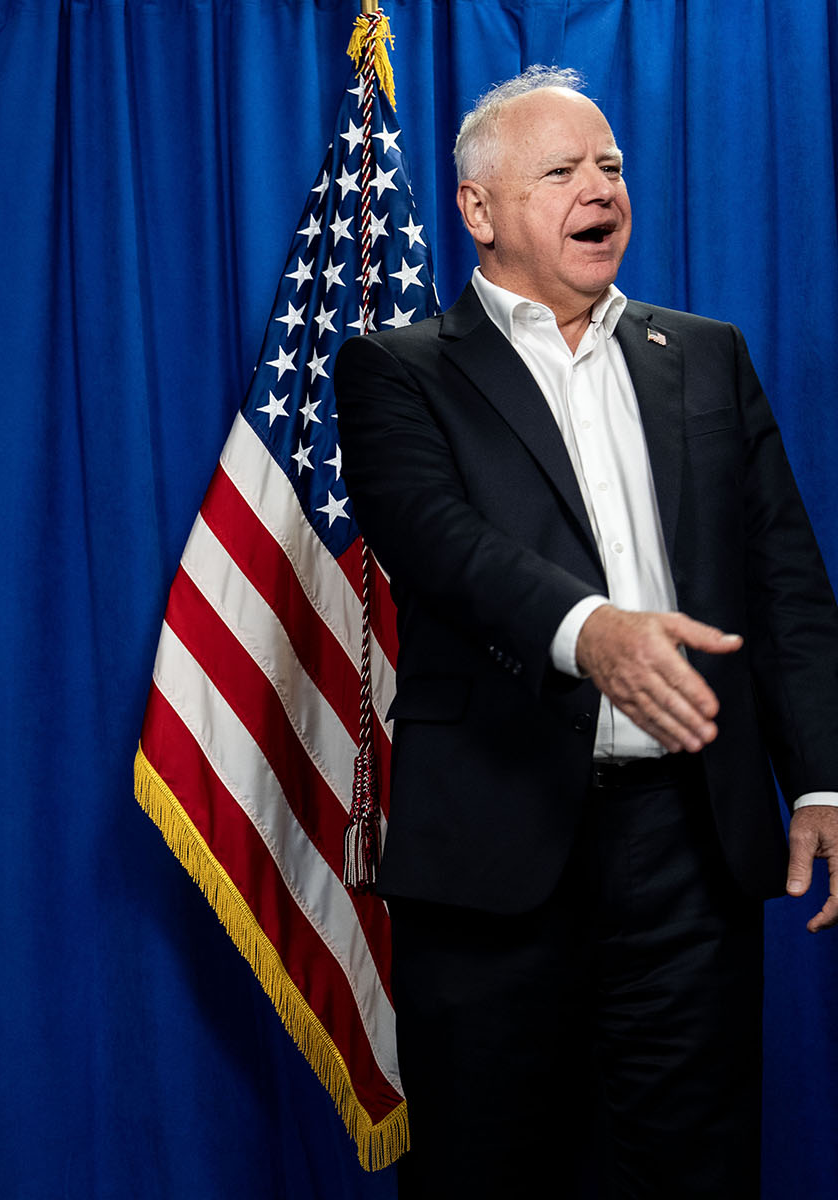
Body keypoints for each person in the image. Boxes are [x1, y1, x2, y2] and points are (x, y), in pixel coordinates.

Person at [333, 67, 838, 1196]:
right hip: (496, 851)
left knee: (696, 1165)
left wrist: (822, 785)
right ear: (479, 211)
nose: (597, 186)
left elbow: (785, 583)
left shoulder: (706, 355)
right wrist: (589, 631)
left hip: (688, 852)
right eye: (560, 171)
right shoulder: (395, 372)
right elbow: (435, 543)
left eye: (607, 165)